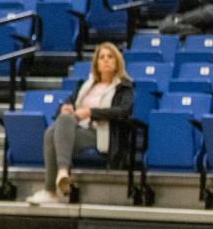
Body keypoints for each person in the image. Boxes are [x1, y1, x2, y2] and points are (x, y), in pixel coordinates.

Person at [28, 42, 134, 206]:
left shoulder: (124, 88)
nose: (105, 60)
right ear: (96, 63)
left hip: (101, 133)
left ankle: (54, 186)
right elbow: (63, 109)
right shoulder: (86, 86)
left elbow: (123, 111)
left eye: (110, 57)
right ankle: (59, 178)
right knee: (54, 128)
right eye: (102, 57)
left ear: (117, 62)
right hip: (75, 130)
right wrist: (64, 108)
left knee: (53, 133)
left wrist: (91, 112)